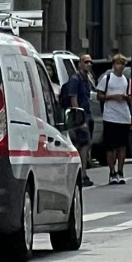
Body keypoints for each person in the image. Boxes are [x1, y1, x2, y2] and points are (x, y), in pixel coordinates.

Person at [97, 51, 132, 185]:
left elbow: (131, 97)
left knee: (122, 146)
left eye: (122, 64)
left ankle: (120, 171)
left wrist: (125, 98)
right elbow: (99, 96)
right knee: (110, 146)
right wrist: (113, 97)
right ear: (113, 65)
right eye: (118, 64)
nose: (120, 67)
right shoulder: (107, 79)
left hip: (123, 116)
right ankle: (111, 172)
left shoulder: (126, 80)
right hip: (110, 116)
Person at [59, 53, 95, 186]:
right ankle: (82, 174)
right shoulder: (75, 79)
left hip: (88, 114)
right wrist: (80, 119)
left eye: (90, 62)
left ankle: (82, 172)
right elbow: (73, 99)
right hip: (80, 117)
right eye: (86, 62)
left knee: (85, 144)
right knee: (83, 145)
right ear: (80, 64)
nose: (89, 64)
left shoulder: (87, 79)